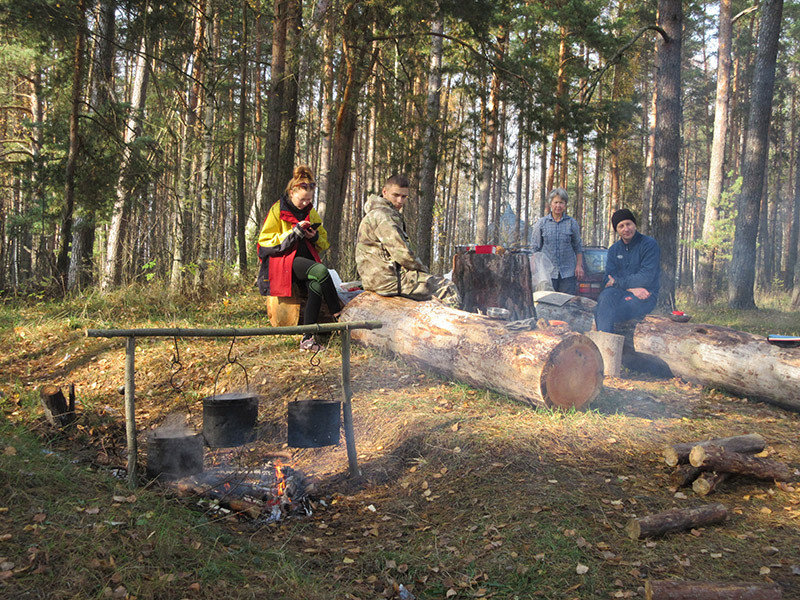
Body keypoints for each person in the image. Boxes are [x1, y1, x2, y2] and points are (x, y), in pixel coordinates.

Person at [256, 165, 341, 351]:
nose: (305, 203)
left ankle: (307, 339)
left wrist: (314, 236)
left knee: (316, 286)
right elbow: (265, 242)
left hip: (305, 260)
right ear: (292, 192)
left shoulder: (310, 211)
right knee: (321, 270)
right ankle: (339, 314)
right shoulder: (278, 209)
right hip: (284, 262)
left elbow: (324, 242)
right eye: (302, 199)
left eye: (309, 199)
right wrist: (294, 232)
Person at [356, 174, 460, 307]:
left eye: (404, 196)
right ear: (384, 192)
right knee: (447, 288)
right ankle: (454, 326)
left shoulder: (376, 213)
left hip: (377, 279)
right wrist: (423, 271)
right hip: (388, 281)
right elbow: (403, 254)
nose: (400, 200)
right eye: (396, 195)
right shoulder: (383, 216)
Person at [594, 208, 660, 333]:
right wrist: (631, 289)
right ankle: (606, 347)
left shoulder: (649, 245)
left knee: (600, 310)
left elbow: (646, 277)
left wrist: (617, 283)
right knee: (605, 296)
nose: (626, 229)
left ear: (634, 224)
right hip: (626, 292)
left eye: (628, 224)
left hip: (645, 295)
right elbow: (607, 280)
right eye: (621, 226)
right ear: (617, 230)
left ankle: (606, 348)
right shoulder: (614, 249)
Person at [531, 188, 585, 295]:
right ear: (550, 204)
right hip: (547, 273)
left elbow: (578, 247)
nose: (558, 206)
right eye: (556, 202)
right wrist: (534, 267)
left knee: (567, 302)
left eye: (561, 203)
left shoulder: (572, 223)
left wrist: (579, 266)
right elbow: (535, 248)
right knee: (547, 301)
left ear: (565, 205)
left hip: (568, 273)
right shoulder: (541, 223)